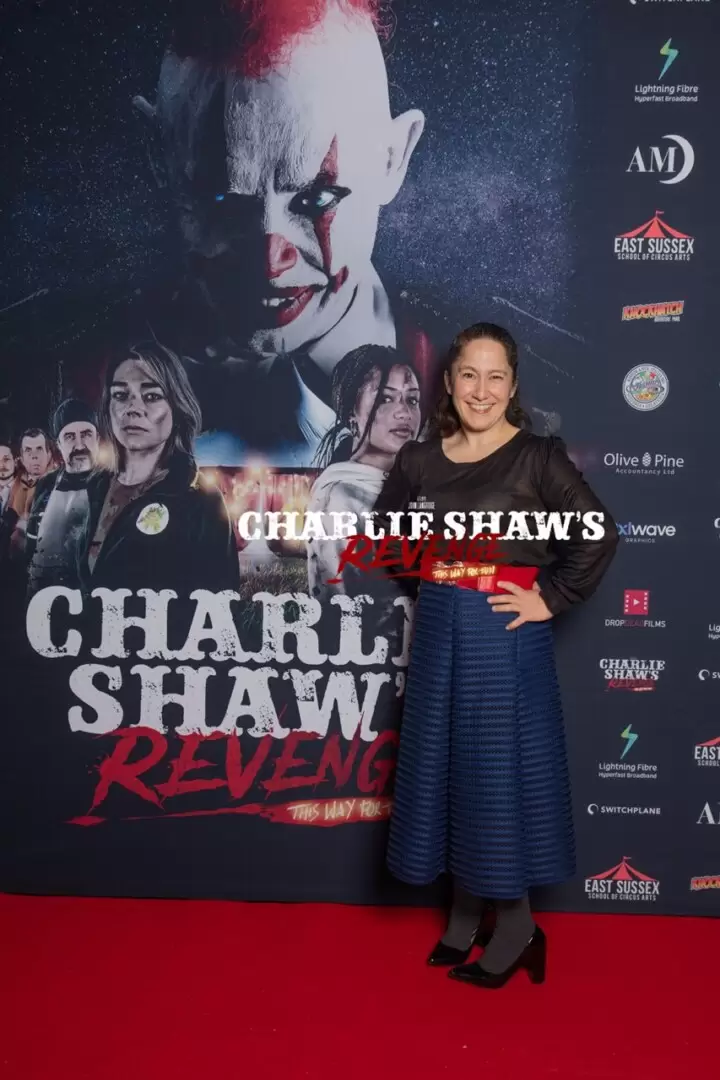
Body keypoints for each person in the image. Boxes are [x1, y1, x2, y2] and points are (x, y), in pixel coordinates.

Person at [373, 323, 618, 989]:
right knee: (445, 768)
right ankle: (463, 914)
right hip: (439, 627)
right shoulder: (418, 459)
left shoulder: (538, 456)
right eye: (468, 375)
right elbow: (386, 534)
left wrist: (550, 597)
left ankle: (516, 925)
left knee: (496, 778)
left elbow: (598, 534)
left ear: (512, 387)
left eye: (495, 376)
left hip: (503, 632)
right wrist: (437, 579)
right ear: (450, 381)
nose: (480, 390)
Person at [132, 0, 430, 466]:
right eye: (222, 199)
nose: (270, 260)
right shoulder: (59, 367)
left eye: (317, 199)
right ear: (157, 158)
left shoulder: (513, 369)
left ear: (393, 160)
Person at [78, 343, 240, 594]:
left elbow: (219, 601)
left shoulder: (200, 501)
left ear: (176, 406)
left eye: (151, 396)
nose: (133, 408)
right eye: (120, 395)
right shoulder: (89, 488)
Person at [306, 345, 422, 602]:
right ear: (351, 414)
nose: (404, 412)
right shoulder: (340, 498)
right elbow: (338, 606)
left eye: (412, 400)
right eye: (385, 399)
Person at [25, 399, 100, 596]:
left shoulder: (113, 484)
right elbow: (31, 545)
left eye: (86, 434)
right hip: (46, 595)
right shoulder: (46, 484)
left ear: (97, 439)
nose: (79, 445)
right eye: (69, 437)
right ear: (58, 444)